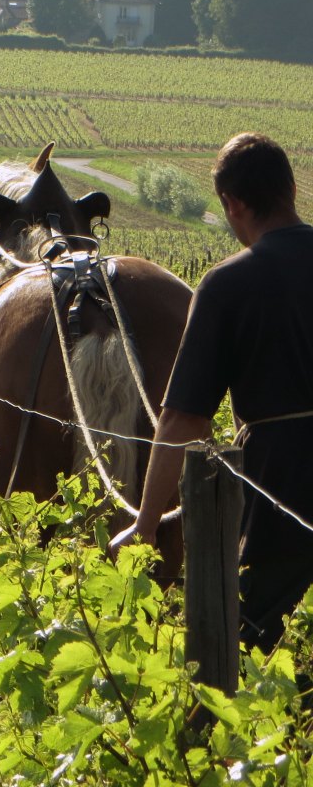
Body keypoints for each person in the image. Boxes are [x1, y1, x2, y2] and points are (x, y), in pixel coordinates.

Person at [111, 132, 313, 651]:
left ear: (232, 203)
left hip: (283, 499)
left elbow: (185, 420)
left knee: (237, 652)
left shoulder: (229, 285)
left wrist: (148, 524)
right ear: (291, 188)